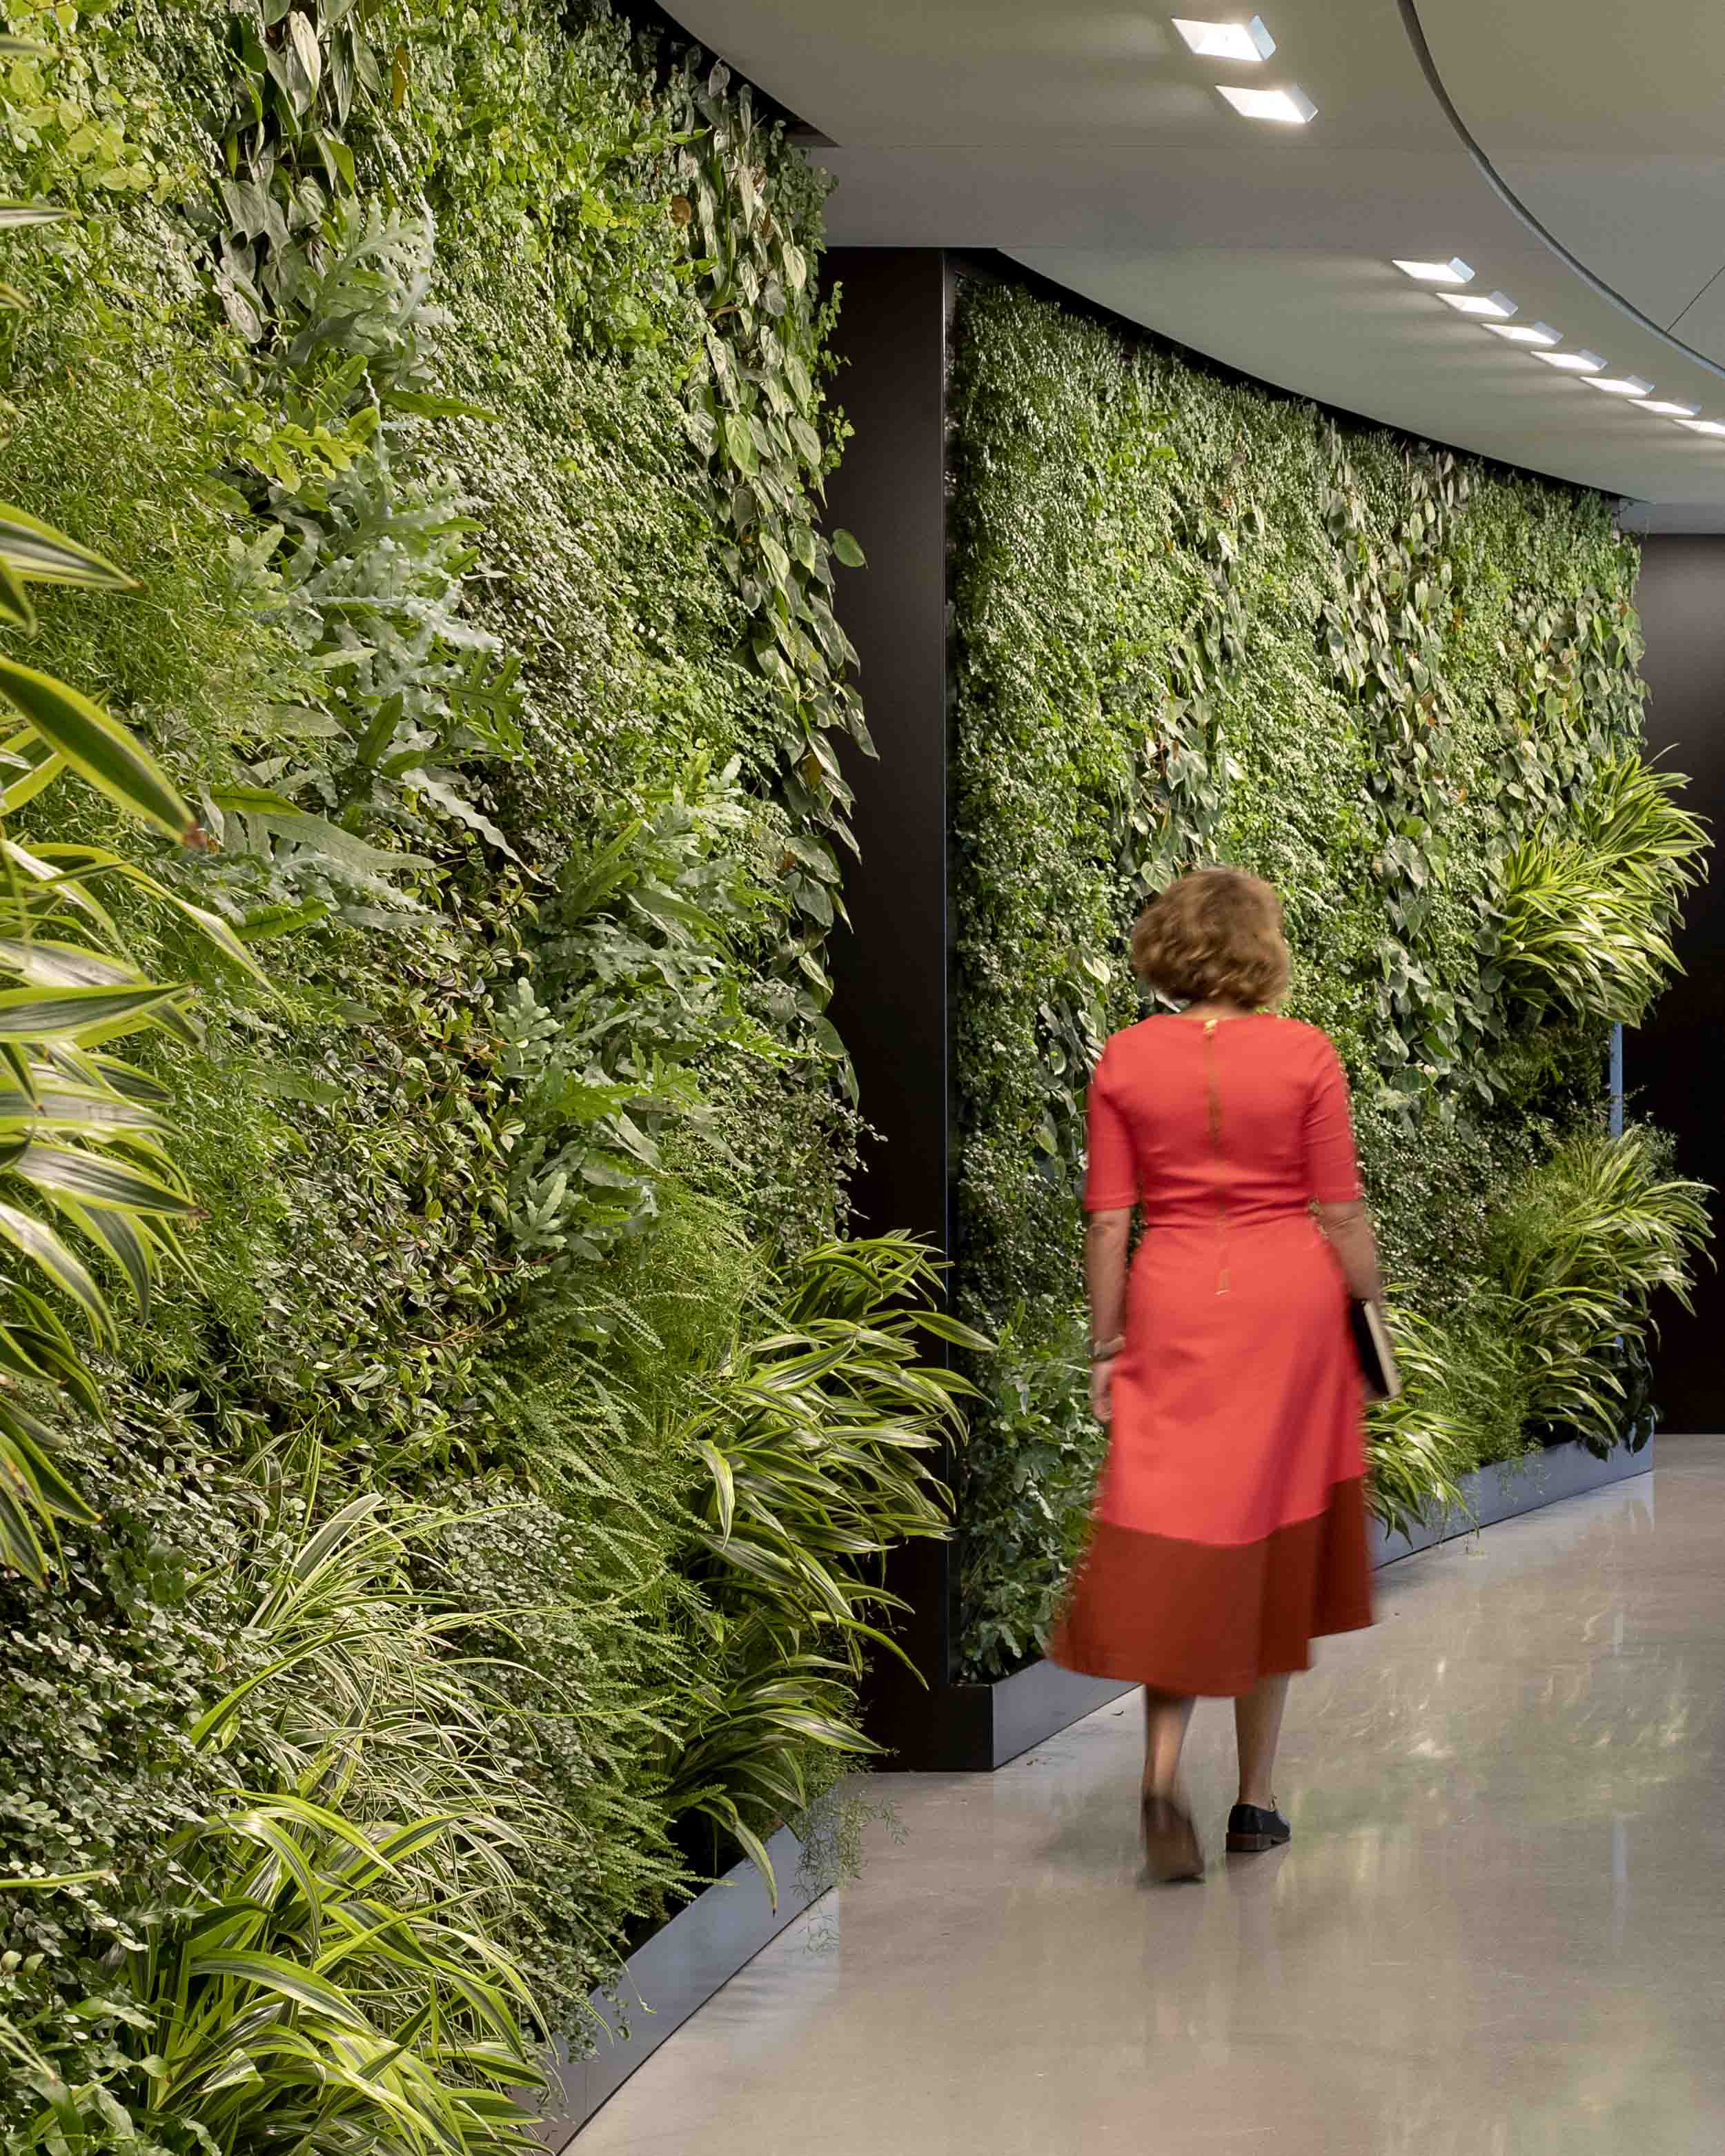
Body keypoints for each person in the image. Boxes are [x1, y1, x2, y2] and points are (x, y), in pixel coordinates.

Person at [1049, 865, 1381, 1883]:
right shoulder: (1305, 1054)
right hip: (1287, 1310)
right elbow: (1340, 1213)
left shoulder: (1124, 1059)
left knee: (1177, 1541)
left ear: (1170, 948)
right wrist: (1368, 1309)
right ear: (1260, 950)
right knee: (1270, 1546)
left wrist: (1106, 1348)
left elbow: (1109, 1218)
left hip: (1174, 1298)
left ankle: (1158, 1768)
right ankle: (1255, 1802)